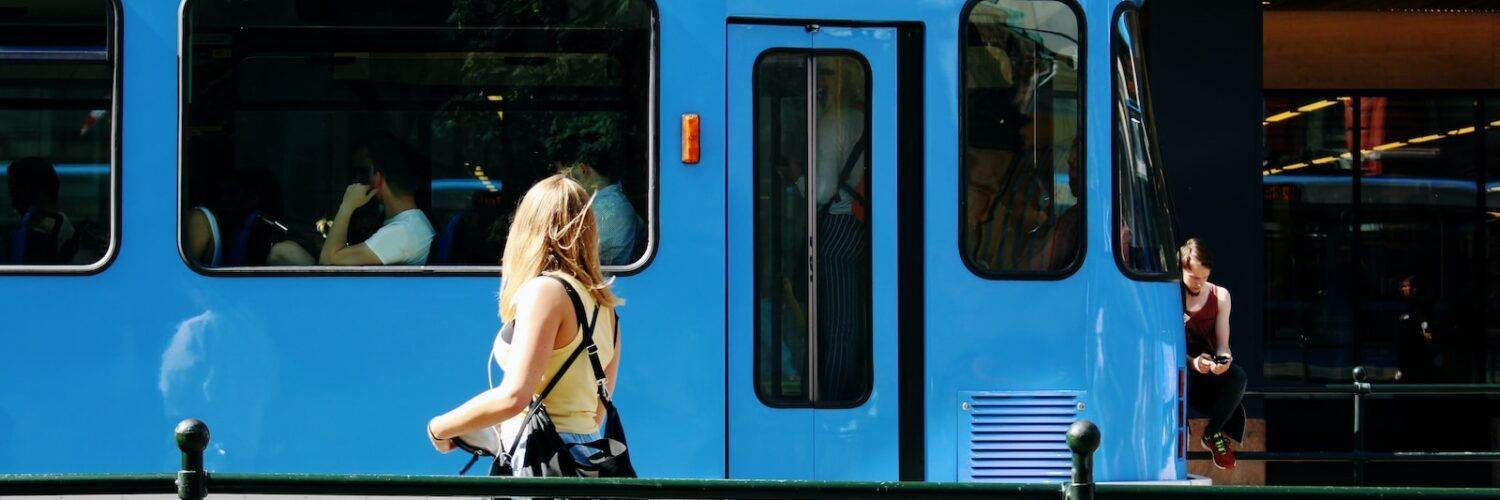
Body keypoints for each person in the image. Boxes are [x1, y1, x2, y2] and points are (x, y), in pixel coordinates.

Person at [426, 174, 623, 471]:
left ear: (528, 229)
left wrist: (440, 427)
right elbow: (595, 412)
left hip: (540, 460)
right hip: (586, 460)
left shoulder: (546, 291)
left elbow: (514, 396)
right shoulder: (605, 307)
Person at [267, 135, 434, 266]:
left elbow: (328, 264)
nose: (356, 181)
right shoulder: (405, 223)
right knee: (286, 252)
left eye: (362, 172)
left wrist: (347, 206)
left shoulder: (403, 231)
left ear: (377, 177)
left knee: (282, 253)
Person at [1180, 237, 1245, 470]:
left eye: (1205, 277)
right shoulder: (1169, 294)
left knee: (1237, 376)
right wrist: (1191, 362)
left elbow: (1222, 344)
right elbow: (1164, 346)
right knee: (1175, 374)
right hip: (1178, 367)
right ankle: (1181, 432)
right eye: (1194, 277)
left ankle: (1213, 432)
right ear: (1181, 268)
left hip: (1206, 370)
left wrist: (1223, 360)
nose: (1199, 283)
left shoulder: (1220, 295)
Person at [558, 160, 641, 266]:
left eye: (568, 176)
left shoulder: (593, 211)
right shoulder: (621, 202)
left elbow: (570, 256)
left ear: (583, 169)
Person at [5, 157, 76, 264]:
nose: (12, 199)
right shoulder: (61, 229)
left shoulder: (40, 234)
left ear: (36, 192)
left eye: (16, 191)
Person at [1395, 274, 1440, 383]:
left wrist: (1425, 334)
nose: (1403, 289)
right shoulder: (1407, 306)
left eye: (1406, 286)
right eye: (1402, 286)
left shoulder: (1420, 307)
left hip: (1417, 357)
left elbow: (1424, 324)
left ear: (1414, 289)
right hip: (1408, 356)